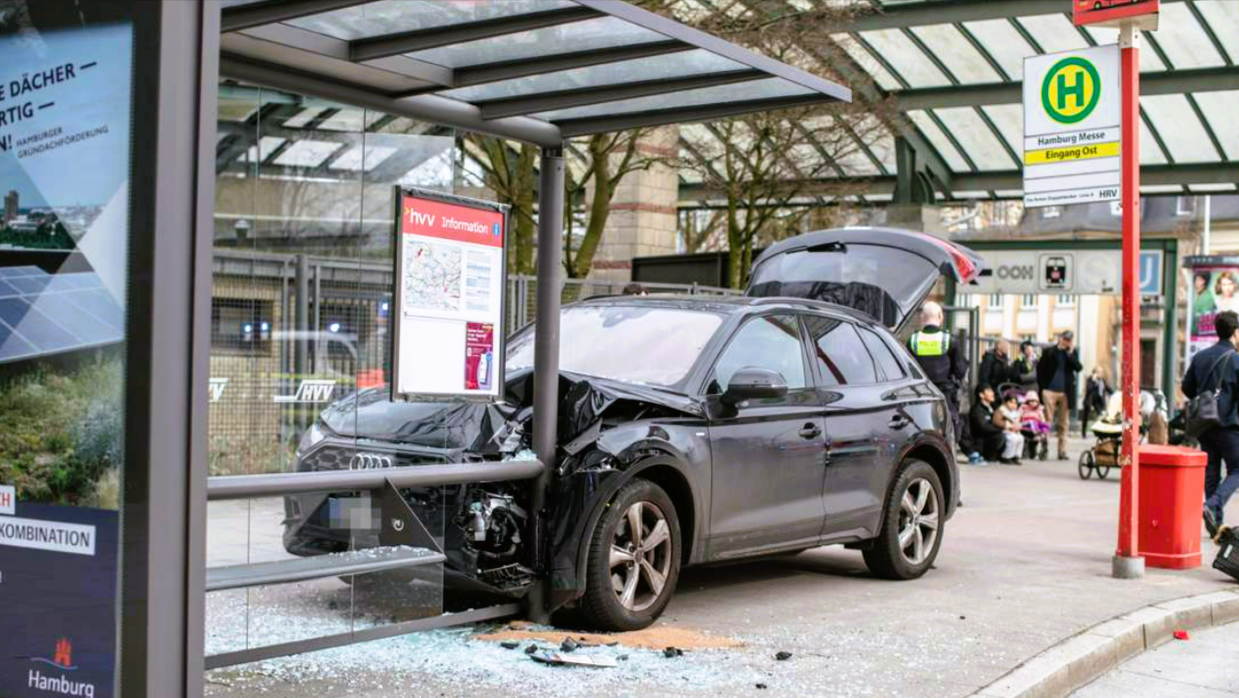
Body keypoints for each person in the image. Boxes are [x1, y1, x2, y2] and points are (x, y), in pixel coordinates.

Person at [1182, 310, 1239, 537]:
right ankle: (1213, 505)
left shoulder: (1201, 357)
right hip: (1228, 423)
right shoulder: (1236, 359)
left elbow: (1187, 388)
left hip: (1205, 424)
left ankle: (1215, 524)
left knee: (1212, 470)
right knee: (1237, 469)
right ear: (1235, 332)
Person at [907, 302, 967, 446]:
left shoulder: (913, 340)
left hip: (920, 393)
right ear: (940, 317)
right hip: (944, 393)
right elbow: (960, 371)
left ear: (922, 318)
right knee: (948, 432)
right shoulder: (949, 340)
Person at [1038, 330, 1083, 460]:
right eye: (1065, 339)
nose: (1067, 342)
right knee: (1046, 421)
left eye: (1069, 340)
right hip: (1049, 391)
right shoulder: (1049, 351)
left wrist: (1069, 354)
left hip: (1065, 392)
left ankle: (1062, 451)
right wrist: (1043, 388)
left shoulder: (1072, 353)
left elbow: (1079, 368)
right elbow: (1040, 370)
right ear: (1060, 338)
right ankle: (1043, 446)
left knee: (1064, 423)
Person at [969, 384, 1005, 465]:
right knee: (1000, 436)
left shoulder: (993, 407)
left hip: (990, 436)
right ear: (981, 395)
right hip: (981, 441)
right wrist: (1001, 428)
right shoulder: (977, 410)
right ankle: (988, 456)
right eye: (989, 391)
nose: (992, 393)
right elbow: (983, 427)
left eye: (992, 391)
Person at [994, 394, 1025, 465]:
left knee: (1020, 438)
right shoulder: (1001, 410)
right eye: (1011, 402)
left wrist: (1018, 426)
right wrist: (1008, 426)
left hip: (1014, 431)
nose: (1013, 405)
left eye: (1015, 403)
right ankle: (1007, 456)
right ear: (1005, 402)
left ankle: (1016, 456)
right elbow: (997, 421)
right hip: (1004, 430)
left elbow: (1019, 422)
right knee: (1012, 438)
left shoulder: (1016, 413)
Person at [1082, 367, 1111, 438]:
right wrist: (1094, 381)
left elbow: (1107, 388)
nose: (1101, 374)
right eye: (1099, 372)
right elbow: (1089, 389)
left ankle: (1101, 432)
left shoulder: (1102, 381)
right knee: (1086, 417)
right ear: (1095, 373)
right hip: (1090, 400)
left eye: (1101, 372)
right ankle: (1083, 432)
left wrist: (1113, 393)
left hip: (1099, 401)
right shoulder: (1090, 380)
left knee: (1101, 416)